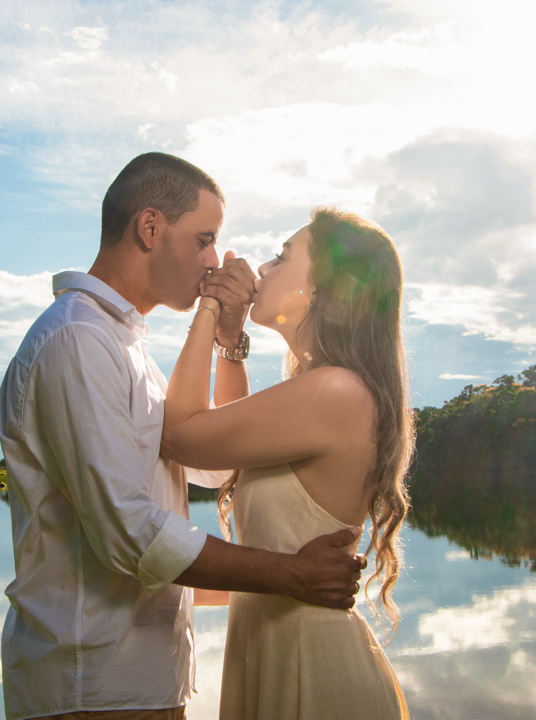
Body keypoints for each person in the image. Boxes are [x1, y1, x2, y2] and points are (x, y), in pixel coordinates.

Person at [0, 153, 364, 720]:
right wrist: (292, 575)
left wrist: (227, 340)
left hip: (142, 682)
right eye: (205, 238)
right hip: (89, 688)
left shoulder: (126, 349)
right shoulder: (77, 341)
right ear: (149, 228)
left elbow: (217, 466)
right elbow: (132, 533)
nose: (216, 259)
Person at [161, 207, 413, 720]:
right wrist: (230, 345)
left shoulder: (335, 390)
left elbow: (181, 433)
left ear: (321, 288)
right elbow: (228, 453)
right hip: (278, 653)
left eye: (282, 256)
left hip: (313, 670)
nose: (264, 268)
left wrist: (207, 308)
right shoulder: (319, 389)